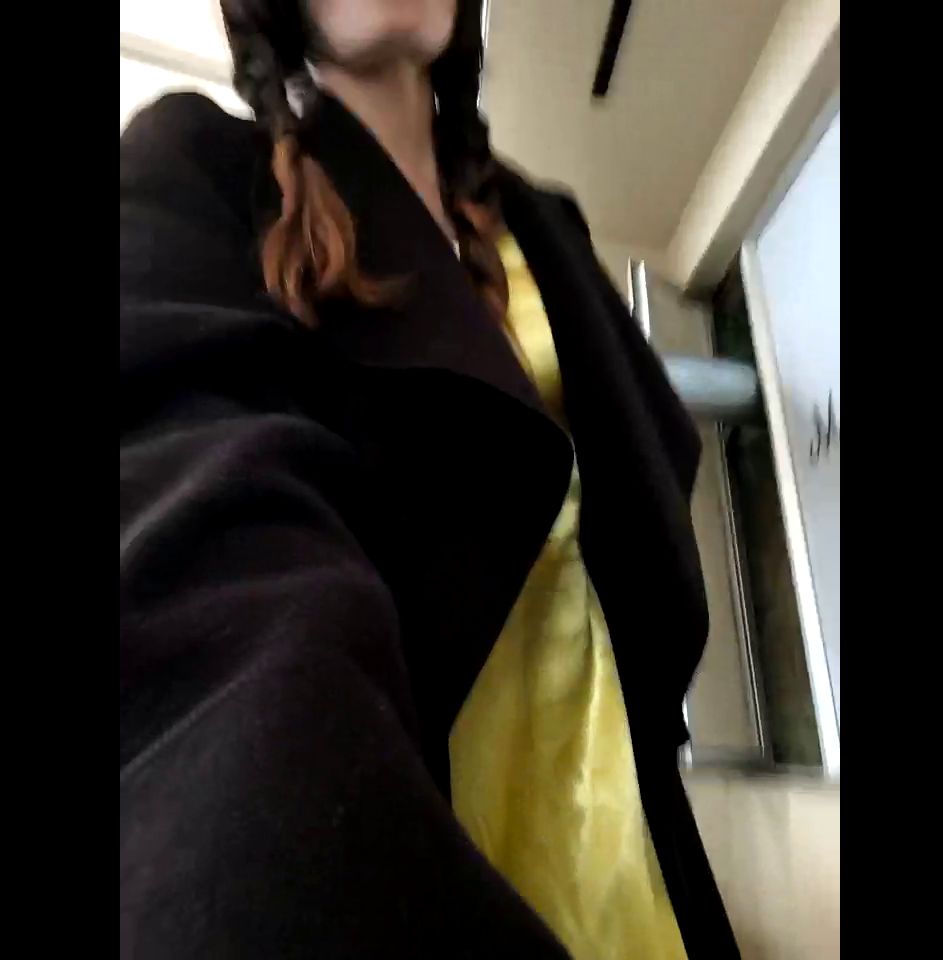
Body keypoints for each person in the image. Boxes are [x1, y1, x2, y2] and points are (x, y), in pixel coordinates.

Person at [119, 1, 739, 957]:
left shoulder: (546, 225)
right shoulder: (193, 172)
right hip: (430, 860)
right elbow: (203, 585)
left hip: (642, 855)